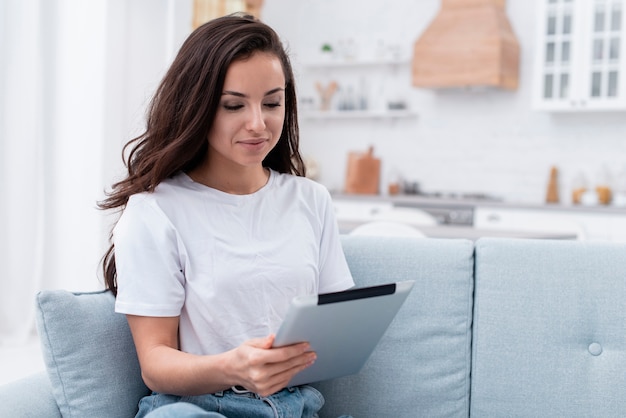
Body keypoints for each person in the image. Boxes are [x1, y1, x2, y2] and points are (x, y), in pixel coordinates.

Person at [98, 13, 354, 418]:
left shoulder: (311, 200)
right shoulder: (156, 211)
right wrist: (232, 367)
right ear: (197, 107)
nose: (258, 123)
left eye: (272, 102)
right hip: (197, 408)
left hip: (294, 405)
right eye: (234, 105)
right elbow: (155, 365)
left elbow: (340, 324)